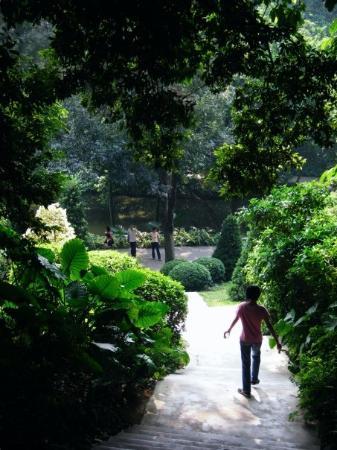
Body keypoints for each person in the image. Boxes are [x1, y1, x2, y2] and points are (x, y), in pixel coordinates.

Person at [224, 285, 282, 399]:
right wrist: (277, 341)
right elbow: (270, 326)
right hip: (257, 340)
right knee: (256, 357)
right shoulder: (262, 309)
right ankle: (254, 379)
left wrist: (229, 329)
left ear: (247, 295)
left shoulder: (241, 307)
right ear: (258, 295)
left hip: (245, 339)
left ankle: (246, 390)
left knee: (246, 364)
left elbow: (236, 318)